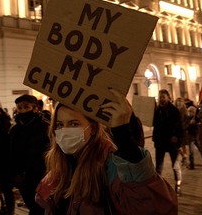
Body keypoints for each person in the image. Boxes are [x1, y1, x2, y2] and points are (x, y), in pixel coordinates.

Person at [35, 89, 177, 214]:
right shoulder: (59, 168)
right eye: (59, 125)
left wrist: (123, 135)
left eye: (73, 124)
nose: (64, 130)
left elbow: (152, 206)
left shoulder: (110, 167)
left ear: (93, 128)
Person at [9, 94, 50, 215]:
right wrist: (14, 173)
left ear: (35, 107)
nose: (22, 110)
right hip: (23, 176)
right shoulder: (15, 129)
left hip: (41, 173)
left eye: (26, 107)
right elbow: (11, 152)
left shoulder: (44, 127)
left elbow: (49, 149)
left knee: (40, 206)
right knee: (31, 203)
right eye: (20, 108)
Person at [152, 89, 183, 195]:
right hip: (160, 141)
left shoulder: (174, 110)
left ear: (168, 97)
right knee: (158, 165)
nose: (161, 99)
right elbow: (153, 123)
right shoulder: (156, 111)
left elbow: (179, 125)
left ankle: (178, 183)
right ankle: (158, 185)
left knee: (175, 164)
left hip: (172, 141)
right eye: (160, 97)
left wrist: (176, 136)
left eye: (163, 97)